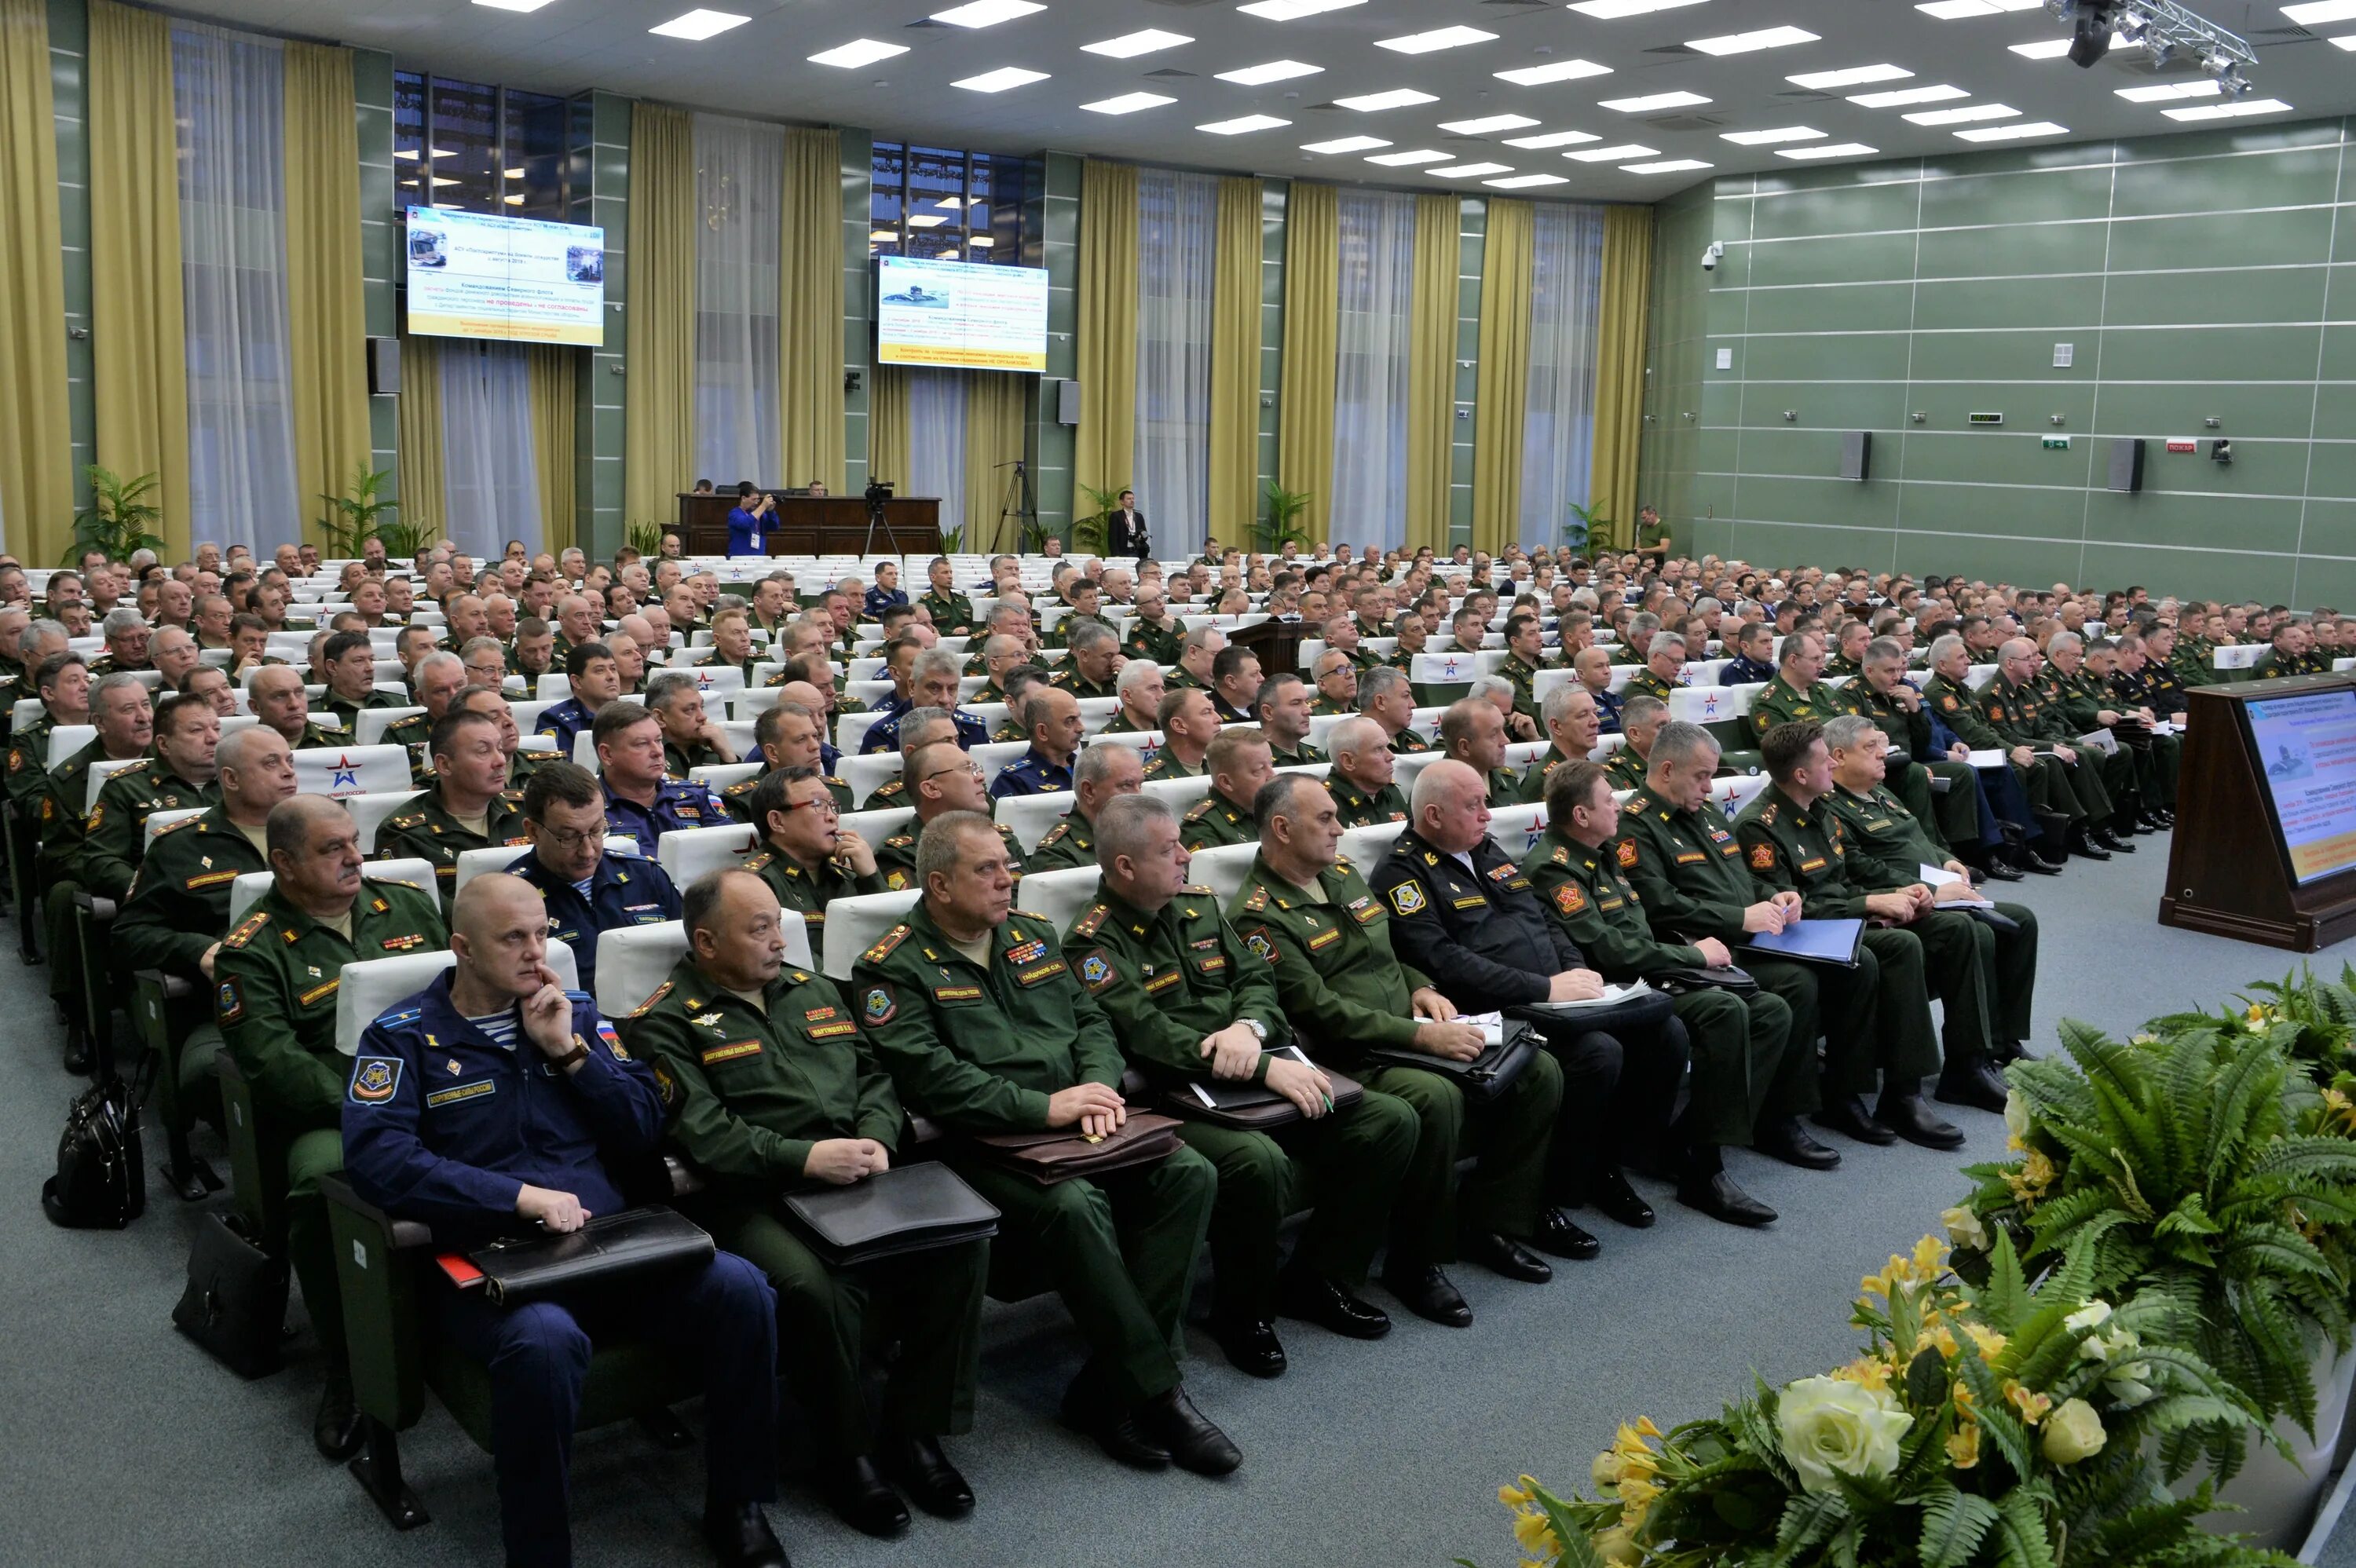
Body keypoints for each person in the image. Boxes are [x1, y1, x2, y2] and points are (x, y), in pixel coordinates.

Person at [343, 872, 788, 1568]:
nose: (534, 950)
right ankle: (540, 1551)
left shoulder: (575, 1012)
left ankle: (738, 1503)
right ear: (461, 946)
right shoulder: (403, 1036)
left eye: (542, 933)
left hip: (607, 1244)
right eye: (512, 937)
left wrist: (570, 1053)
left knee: (743, 1291)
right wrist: (515, 1195)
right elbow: (378, 1160)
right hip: (493, 1257)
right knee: (544, 1343)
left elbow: (643, 1126)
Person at [854, 812, 1237, 1476]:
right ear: (940, 885)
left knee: (1189, 1172)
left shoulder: (1031, 936)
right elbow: (933, 1080)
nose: (1009, 879)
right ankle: (1158, 1391)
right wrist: (1045, 1106)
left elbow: (1090, 1019)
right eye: (988, 870)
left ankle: (1104, 1386)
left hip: (1077, 1119)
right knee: (1073, 1205)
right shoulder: (892, 967)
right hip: (983, 1143)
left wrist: (1095, 1081)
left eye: (1008, 864)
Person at [625, 867, 984, 1537]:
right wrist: (805, 1157)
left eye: (779, 924)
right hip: (752, 1195)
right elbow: (706, 1135)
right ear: (705, 942)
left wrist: (876, 1136)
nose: (777, 939)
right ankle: (845, 1453)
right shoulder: (664, 1021)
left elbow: (874, 1074)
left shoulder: (812, 988)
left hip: (856, 1171)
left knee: (957, 1245)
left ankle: (914, 1432)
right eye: (757, 928)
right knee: (813, 1286)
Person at [1067, 793, 1414, 1376]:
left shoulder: (1199, 906)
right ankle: (1242, 1312)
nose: (1186, 856)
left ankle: (1318, 1275)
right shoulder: (1092, 943)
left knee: (1388, 1120)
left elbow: (1257, 976)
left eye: (1181, 841)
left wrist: (1248, 1029)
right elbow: (1148, 1034)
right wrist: (1259, 1063)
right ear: (1125, 867)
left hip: (1253, 1060)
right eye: (1168, 849)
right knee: (1256, 1162)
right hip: (1175, 1092)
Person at [1231, 773, 1566, 1322]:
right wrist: (1421, 1034)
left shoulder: (1340, 875)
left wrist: (1420, 986)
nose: (1340, 828)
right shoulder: (1258, 914)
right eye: (1325, 819)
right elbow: (1318, 1010)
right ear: (1282, 829)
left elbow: (1387, 950)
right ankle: (1415, 1263)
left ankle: (1491, 1221)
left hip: (1409, 1029)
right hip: (1352, 1054)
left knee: (1539, 1068)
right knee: (1434, 1098)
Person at [1370, 760, 1682, 1253]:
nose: (1488, 816)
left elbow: (1542, 916)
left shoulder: (1486, 850)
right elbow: (1445, 962)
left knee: (1666, 1034)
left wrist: (1580, 973)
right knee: (1598, 1053)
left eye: (1486, 802)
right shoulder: (1402, 873)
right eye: (1473, 806)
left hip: (1554, 995)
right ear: (1432, 815)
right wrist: (1544, 987)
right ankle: (1545, 1195)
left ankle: (1604, 1164)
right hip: (1493, 1010)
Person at [214, 796, 446, 1460]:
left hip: (443, 1080)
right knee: (323, 1186)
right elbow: (272, 1061)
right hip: (337, 1107)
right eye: (331, 848)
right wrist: (375, 1112)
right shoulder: (251, 949)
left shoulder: (403, 904)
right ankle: (351, 1361)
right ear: (283, 863)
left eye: (354, 841)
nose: (354, 857)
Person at [1525, 762, 1821, 1225]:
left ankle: (1682, 1138)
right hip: (1616, 987)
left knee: (1771, 1010)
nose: (1617, 806)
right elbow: (1608, 949)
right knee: (1724, 1011)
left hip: (1654, 970)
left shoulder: (1600, 852)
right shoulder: (1552, 868)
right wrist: (1694, 957)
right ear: (1581, 815)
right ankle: (1705, 1169)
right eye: (1608, 801)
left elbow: (1638, 932)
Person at [1732, 722, 1974, 1149]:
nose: (1833, 762)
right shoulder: (1761, 827)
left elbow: (1847, 876)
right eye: (1824, 758)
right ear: (1801, 774)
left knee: (1943, 928)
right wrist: (1869, 904)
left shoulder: (1822, 809)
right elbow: (1794, 907)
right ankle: (1890, 1093)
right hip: (1805, 932)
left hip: (1842, 918)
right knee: (1897, 947)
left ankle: (1926, 1079)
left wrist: (1899, 891)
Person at [1819, 715, 2040, 1084]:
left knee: (2022, 920)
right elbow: (1862, 869)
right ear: (1839, 757)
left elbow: (1919, 837)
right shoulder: (1830, 806)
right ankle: (1967, 1063)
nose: (1883, 754)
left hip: (1935, 889)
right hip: (1900, 903)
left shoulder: (1880, 791)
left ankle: (2004, 1041)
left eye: (1882, 744)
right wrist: (1936, 892)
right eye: (1871, 747)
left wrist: (1947, 860)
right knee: (1971, 931)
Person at [505, 760, 681, 1000]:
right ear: (533, 832)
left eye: (597, 831)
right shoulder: (509, 897)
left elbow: (689, 955)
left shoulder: (645, 874)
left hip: (663, 1011)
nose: (588, 851)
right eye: (568, 837)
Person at [375, 708, 529, 911]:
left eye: (499, 748)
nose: (500, 760)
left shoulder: (527, 809)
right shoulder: (404, 834)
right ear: (445, 764)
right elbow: (417, 910)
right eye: (484, 751)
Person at [80, 691, 221, 903]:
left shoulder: (241, 781)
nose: (213, 738)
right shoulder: (126, 788)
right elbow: (102, 861)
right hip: (163, 906)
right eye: (197, 730)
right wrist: (150, 893)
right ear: (164, 744)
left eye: (217, 729)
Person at [739, 764, 882, 940]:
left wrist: (871, 878)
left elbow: (894, 939)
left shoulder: (850, 869)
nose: (832, 816)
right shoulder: (756, 884)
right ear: (777, 821)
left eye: (832, 805)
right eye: (817, 805)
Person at [871, 736, 1029, 890]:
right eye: (967, 769)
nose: (981, 777)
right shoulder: (901, 856)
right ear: (932, 789)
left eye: (977, 769)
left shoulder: (1005, 840)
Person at [594, 703, 720, 856]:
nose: (658, 751)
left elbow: (731, 852)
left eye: (659, 740)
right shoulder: (586, 809)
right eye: (642, 744)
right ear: (607, 755)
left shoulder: (697, 795)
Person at [1027, 741, 1143, 871]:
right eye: (1126, 785)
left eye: (1140, 785)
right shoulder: (1057, 855)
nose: (1139, 795)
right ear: (1088, 791)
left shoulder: (1147, 834)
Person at [1180, 727, 1275, 850]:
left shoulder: (1276, 808)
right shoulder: (1202, 829)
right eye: (1258, 770)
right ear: (1226, 782)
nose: (1272, 775)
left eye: (1271, 764)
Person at [989, 686, 1083, 800]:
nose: (1081, 728)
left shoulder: (1089, 768)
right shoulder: (1014, 781)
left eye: (1078, 718)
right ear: (1042, 732)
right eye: (1070, 721)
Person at [1516, 684, 1602, 805]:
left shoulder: (1594, 769)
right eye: (1583, 715)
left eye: (1595, 713)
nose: (1596, 722)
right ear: (1556, 726)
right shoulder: (1545, 782)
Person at [536, 642, 622, 760]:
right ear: (577, 681)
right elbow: (561, 773)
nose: (611, 676)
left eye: (613, 669)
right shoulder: (554, 721)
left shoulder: (630, 715)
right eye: (599, 671)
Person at [1324, 715, 1407, 827]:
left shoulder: (1391, 791)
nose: (1391, 756)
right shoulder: (1325, 803)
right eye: (1379, 749)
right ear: (1349, 761)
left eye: (1387, 747)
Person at [1141, 687, 1218, 780]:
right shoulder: (1151, 780)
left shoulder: (1219, 768)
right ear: (1179, 725)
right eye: (1206, 713)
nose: (1219, 719)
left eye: (1214, 710)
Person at [1101, 658, 1165, 735]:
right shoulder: (1109, 740)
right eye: (1152, 688)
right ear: (1127, 696)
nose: (1162, 696)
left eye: (1162, 688)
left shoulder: (1172, 731)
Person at [726, 481, 777, 558]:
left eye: (758, 500)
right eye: (754, 499)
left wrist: (770, 512)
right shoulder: (735, 513)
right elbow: (745, 524)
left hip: (759, 557)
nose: (756, 503)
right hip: (740, 558)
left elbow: (774, 527)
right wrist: (763, 506)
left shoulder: (760, 514)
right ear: (743, 498)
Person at [1106, 488, 1148, 561]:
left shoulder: (1139, 516)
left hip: (1138, 551)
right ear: (1122, 501)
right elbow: (1112, 537)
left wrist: (1141, 537)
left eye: (1133, 498)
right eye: (1129, 499)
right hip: (1123, 552)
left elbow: (1144, 533)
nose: (1132, 501)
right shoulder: (1116, 516)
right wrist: (1116, 555)